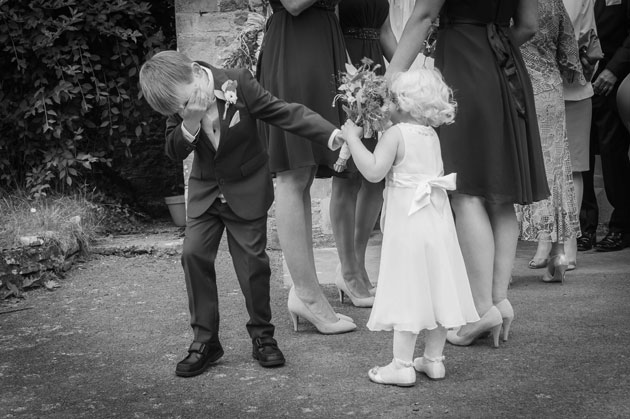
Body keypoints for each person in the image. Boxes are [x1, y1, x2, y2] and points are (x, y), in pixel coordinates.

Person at [138, 50, 352, 378]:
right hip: (206, 191)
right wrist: (190, 120)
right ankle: (205, 341)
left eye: (185, 103)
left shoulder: (238, 81)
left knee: (253, 265)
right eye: (178, 109)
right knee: (193, 255)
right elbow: (173, 150)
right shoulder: (179, 104)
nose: (184, 108)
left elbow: (282, 112)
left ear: (196, 72)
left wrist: (329, 133)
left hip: (246, 188)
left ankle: (263, 337)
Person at [385, 0, 549, 346]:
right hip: (504, 66)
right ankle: (498, 300)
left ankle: (479, 309)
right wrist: (493, 47)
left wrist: (391, 80)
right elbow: (529, 25)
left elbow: (424, 16)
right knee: (499, 193)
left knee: (467, 191)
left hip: (464, 64)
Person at [340, 68, 480, 387]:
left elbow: (374, 172)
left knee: (408, 289)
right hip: (437, 224)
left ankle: (401, 365)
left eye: (391, 98)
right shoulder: (431, 135)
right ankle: (433, 360)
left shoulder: (396, 135)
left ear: (402, 103)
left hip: (410, 228)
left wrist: (351, 137)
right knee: (436, 287)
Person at [256, 0, 359, 331]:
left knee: (306, 170)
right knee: (292, 170)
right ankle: (306, 295)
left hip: (321, 43)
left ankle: (309, 292)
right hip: (294, 44)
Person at [332, 0, 397, 306]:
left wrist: (402, 75)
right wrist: (355, 80)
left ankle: (357, 265)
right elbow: (330, 27)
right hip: (347, 72)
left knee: (375, 176)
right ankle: (347, 269)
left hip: (376, 71)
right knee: (347, 176)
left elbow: (385, 32)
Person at [516, 0, 584, 284]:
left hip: (516, 86)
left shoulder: (511, 3)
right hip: (550, 90)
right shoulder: (554, 2)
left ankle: (503, 266)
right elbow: (569, 50)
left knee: (515, 164)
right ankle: (557, 258)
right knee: (555, 168)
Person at [579, 0, 630, 252]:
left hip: (613, 81)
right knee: (581, 156)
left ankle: (620, 227)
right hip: (577, 80)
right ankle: (584, 229)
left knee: (613, 155)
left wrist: (613, 70)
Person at [562, 0, 601, 269]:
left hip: (573, 89)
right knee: (543, 168)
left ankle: (568, 241)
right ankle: (546, 240)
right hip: (534, 88)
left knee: (573, 168)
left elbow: (589, 39)